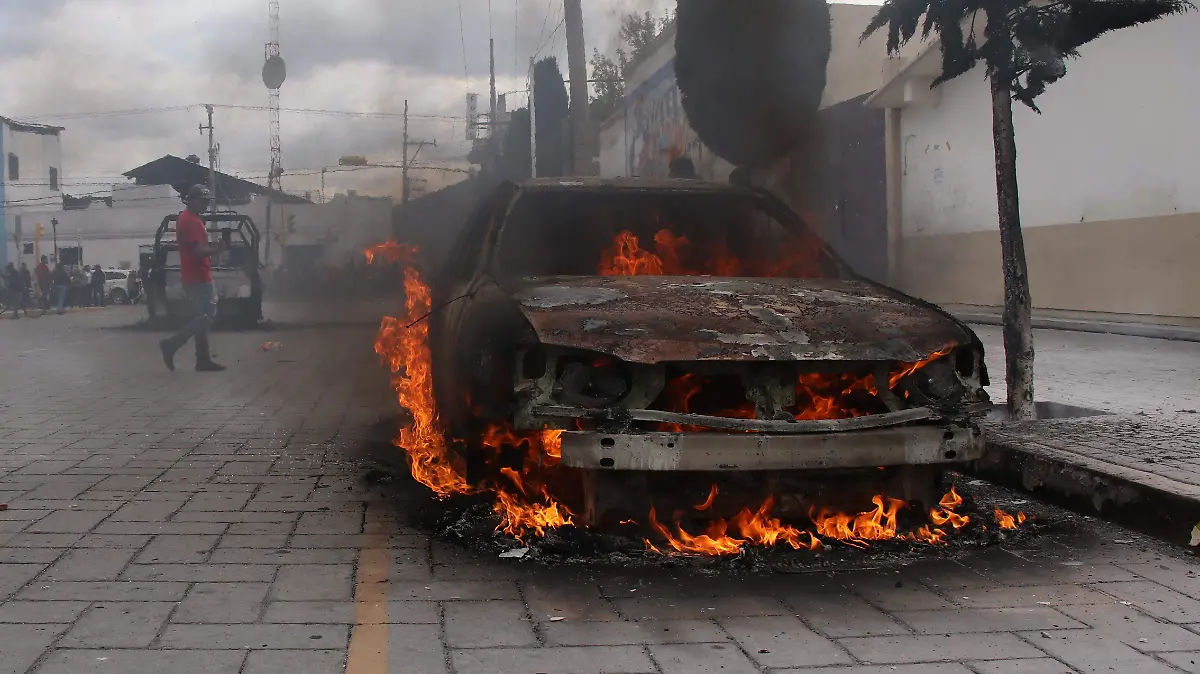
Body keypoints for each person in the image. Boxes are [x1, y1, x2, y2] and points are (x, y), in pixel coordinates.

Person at [159, 184, 225, 372]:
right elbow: (199, 252)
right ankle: (172, 343)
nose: (205, 205)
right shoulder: (192, 221)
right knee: (207, 315)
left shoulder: (186, 218)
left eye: (207, 202)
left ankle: (202, 360)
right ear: (192, 201)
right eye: (203, 201)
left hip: (192, 276)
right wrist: (217, 249)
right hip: (199, 277)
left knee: (200, 317)